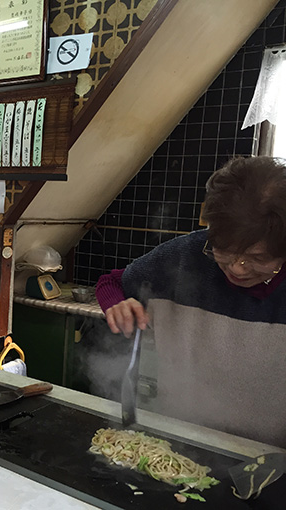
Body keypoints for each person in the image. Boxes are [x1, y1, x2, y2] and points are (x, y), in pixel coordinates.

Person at [95, 156, 286, 448]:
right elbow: (112, 283)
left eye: (257, 259)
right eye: (223, 251)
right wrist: (116, 304)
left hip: (270, 458)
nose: (237, 268)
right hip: (178, 440)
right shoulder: (184, 257)